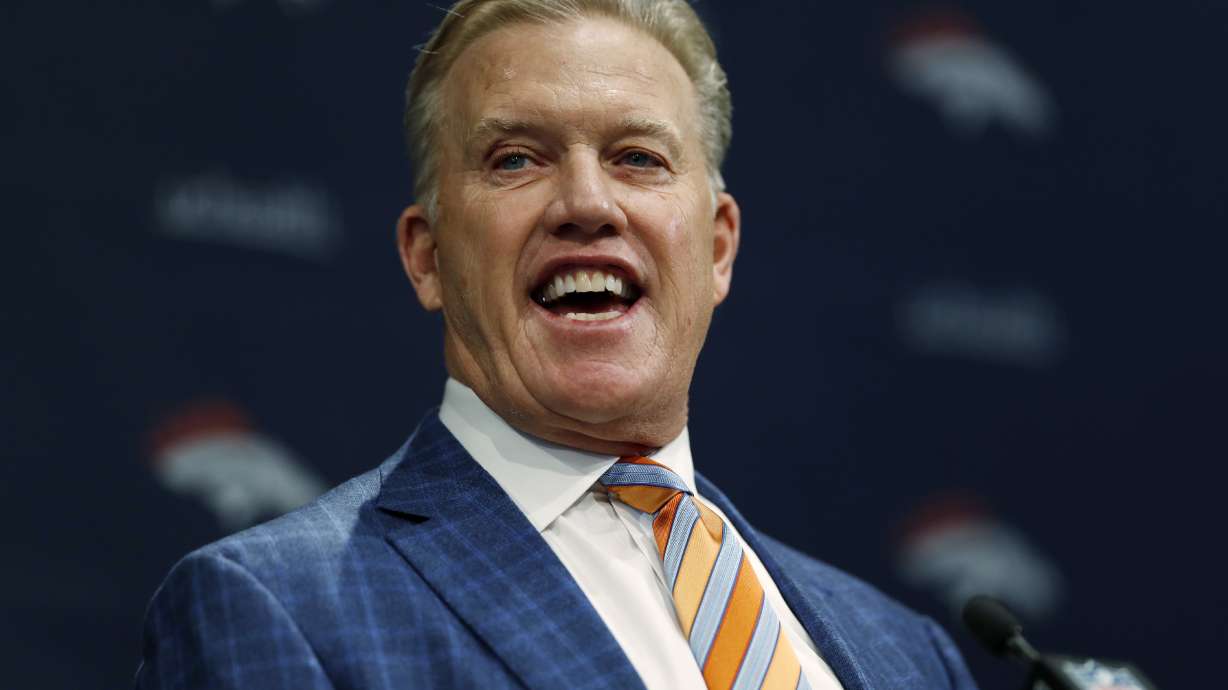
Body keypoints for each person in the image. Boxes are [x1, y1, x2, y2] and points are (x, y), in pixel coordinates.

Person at [135, 1, 979, 688]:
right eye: (515, 160)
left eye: (639, 157)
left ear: (718, 248)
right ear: (428, 257)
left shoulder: (909, 654)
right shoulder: (277, 609)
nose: (586, 201)